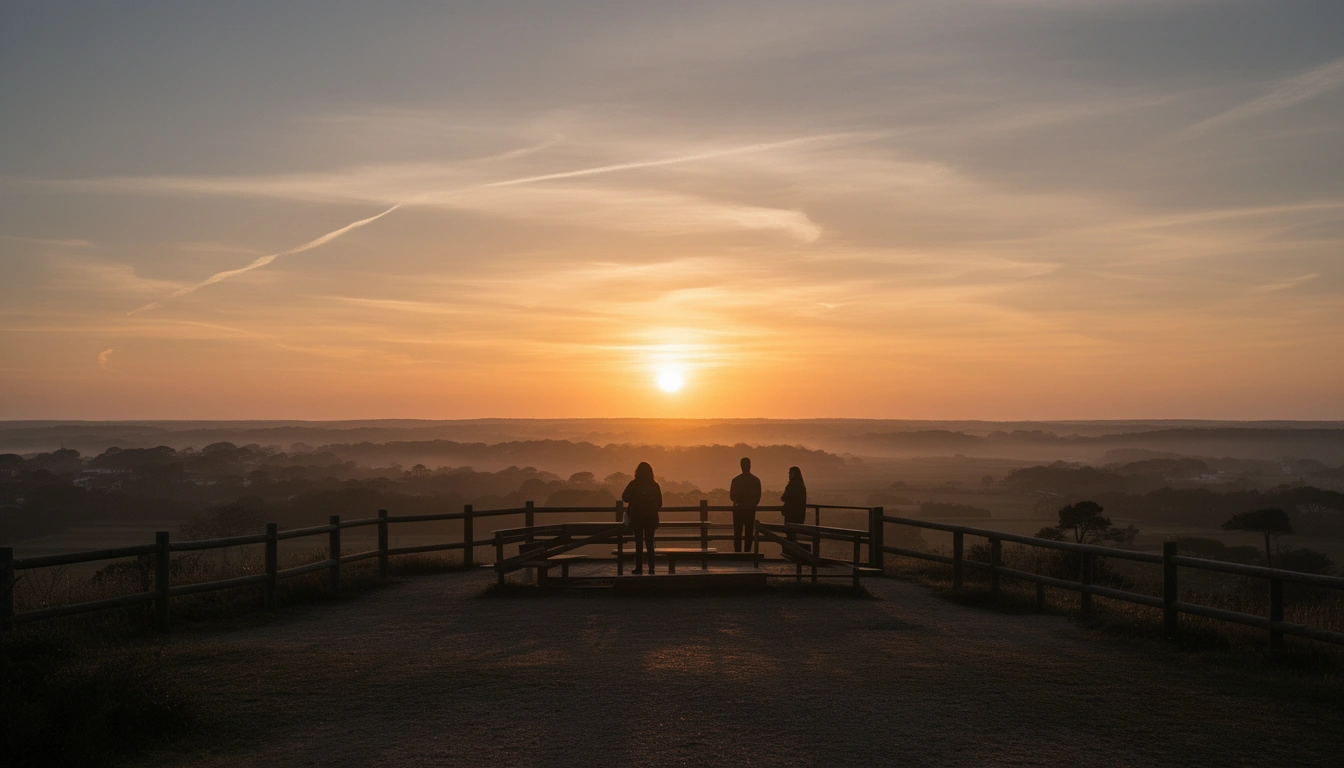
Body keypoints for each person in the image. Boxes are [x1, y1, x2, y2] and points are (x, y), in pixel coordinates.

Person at [621, 462, 662, 574]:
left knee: (638, 543)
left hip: (637, 517)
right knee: (649, 542)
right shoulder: (654, 485)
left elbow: (624, 497)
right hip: (650, 518)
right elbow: (659, 503)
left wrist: (635, 499)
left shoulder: (634, 484)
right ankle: (651, 568)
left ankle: (639, 568)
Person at [730, 457, 762, 553]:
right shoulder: (756, 480)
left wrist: (739, 502)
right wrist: (752, 504)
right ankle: (747, 552)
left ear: (741, 467)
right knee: (749, 532)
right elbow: (758, 497)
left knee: (738, 533)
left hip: (738, 509)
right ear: (750, 466)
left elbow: (732, 496)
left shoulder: (735, 480)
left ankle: (738, 553)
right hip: (750, 510)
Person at [780, 466, 807, 541]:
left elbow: (784, 498)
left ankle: (791, 551)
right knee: (794, 534)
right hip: (800, 515)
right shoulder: (802, 485)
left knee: (790, 534)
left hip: (791, 514)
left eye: (790, 473)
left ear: (794, 474)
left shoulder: (792, 485)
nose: (789, 475)